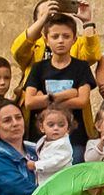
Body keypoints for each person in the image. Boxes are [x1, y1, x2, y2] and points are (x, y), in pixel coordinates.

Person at [22, 13, 95, 159]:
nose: (61, 41)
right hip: (42, 138)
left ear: (74, 39)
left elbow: (82, 101)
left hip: (75, 138)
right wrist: (68, 94)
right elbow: (29, 102)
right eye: (55, 36)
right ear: (46, 40)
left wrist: (44, 99)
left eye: (66, 36)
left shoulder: (81, 67)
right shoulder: (38, 68)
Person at [11, 0, 100, 73]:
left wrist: (87, 22)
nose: (50, 17)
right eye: (44, 14)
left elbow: (92, 56)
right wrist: (43, 19)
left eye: (53, 13)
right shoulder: (32, 45)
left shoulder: (72, 42)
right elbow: (18, 52)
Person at [33, 107, 75, 188]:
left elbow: (55, 162)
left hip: (60, 185)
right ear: (42, 127)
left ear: (68, 128)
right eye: (51, 125)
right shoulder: (43, 140)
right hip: (46, 183)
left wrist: (36, 165)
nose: (56, 128)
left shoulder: (63, 144)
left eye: (61, 125)